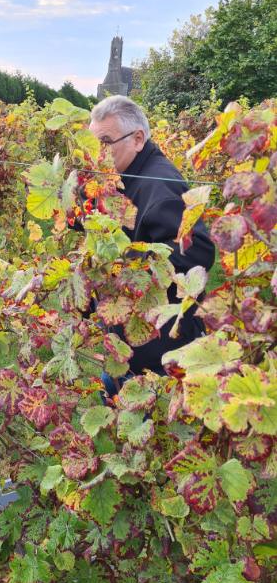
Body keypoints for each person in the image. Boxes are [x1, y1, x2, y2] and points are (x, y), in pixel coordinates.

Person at [88, 95, 215, 388]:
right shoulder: (127, 175)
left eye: (105, 141)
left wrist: (130, 270)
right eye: (94, 143)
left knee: (144, 422)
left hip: (158, 346)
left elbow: (198, 250)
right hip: (131, 335)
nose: (98, 153)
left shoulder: (159, 185)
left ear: (137, 139)